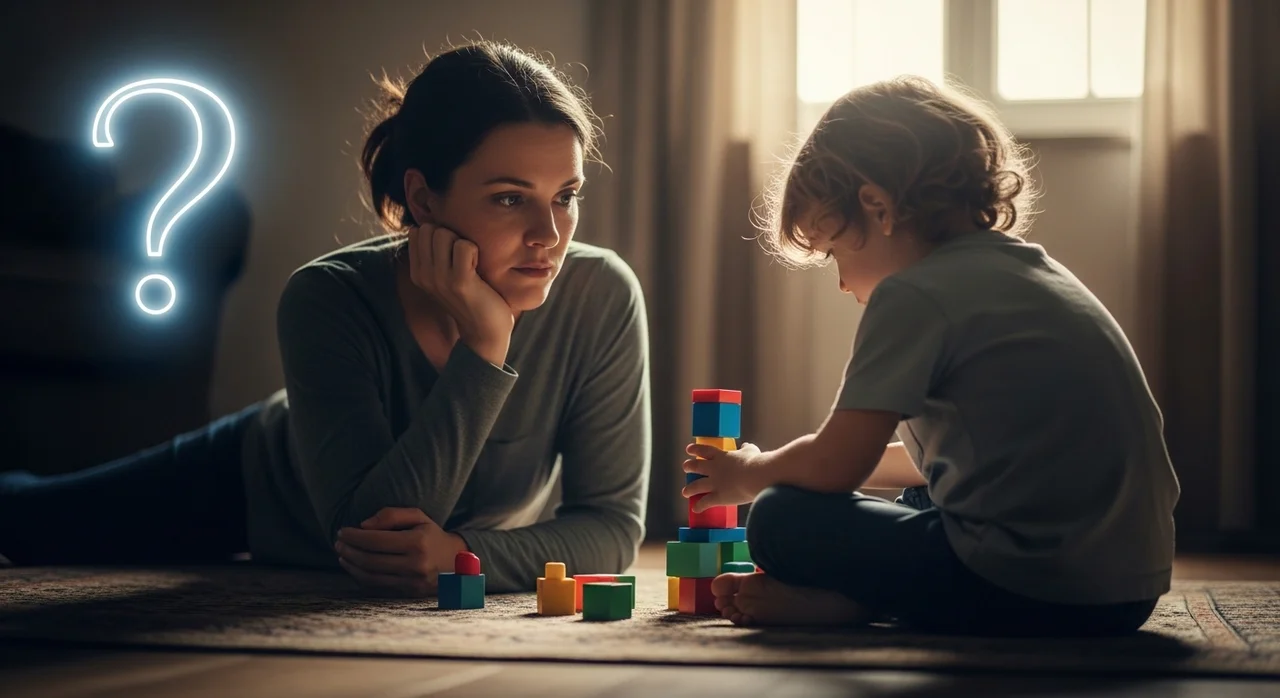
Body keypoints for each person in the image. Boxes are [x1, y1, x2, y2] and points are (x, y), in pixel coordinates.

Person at [0, 41, 652, 596]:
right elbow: (373, 536)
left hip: (422, 532)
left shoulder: (601, 296)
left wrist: (461, 555)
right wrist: (485, 342)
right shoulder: (328, 295)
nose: (549, 235)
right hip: (252, 486)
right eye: (511, 198)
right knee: (24, 520)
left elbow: (612, 528)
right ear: (423, 197)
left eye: (566, 197)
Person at [682, 76, 1179, 637]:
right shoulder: (1035, 274)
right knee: (924, 493)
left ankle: (854, 603)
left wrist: (750, 474)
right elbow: (956, 461)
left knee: (780, 516)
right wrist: (784, 464)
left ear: (878, 208)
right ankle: (869, 596)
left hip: (1027, 587)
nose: (842, 283)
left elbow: (836, 465)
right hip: (1125, 594)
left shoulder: (913, 293)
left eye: (834, 253)